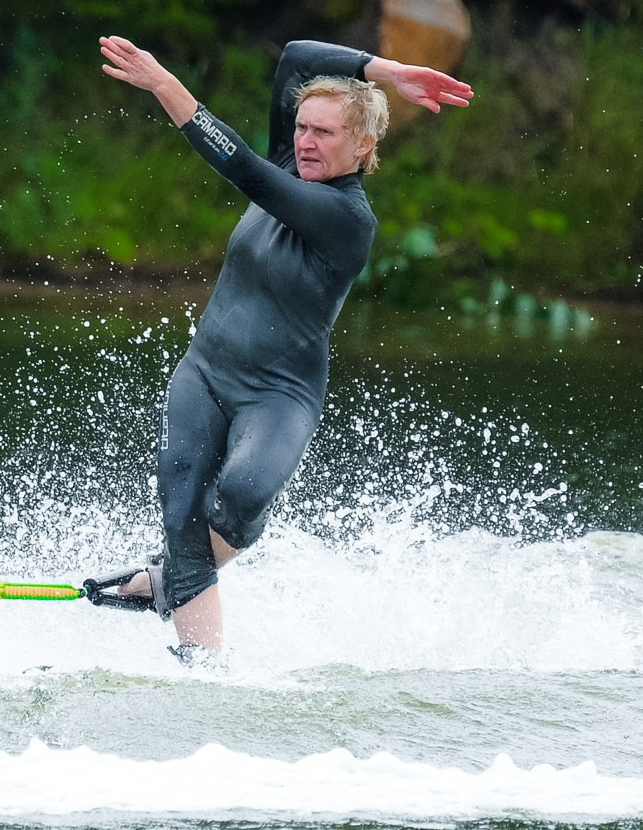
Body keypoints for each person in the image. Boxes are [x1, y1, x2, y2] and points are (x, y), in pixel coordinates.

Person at [87, 36, 473, 658]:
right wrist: (388, 70)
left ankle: (166, 580)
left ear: (364, 146)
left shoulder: (347, 219)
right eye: (301, 126)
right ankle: (202, 671)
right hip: (205, 374)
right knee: (183, 517)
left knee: (239, 498)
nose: (305, 141)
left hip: (280, 395)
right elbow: (296, 56)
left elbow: (239, 165)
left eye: (323, 132)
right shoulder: (291, 161)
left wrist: (164, 84)